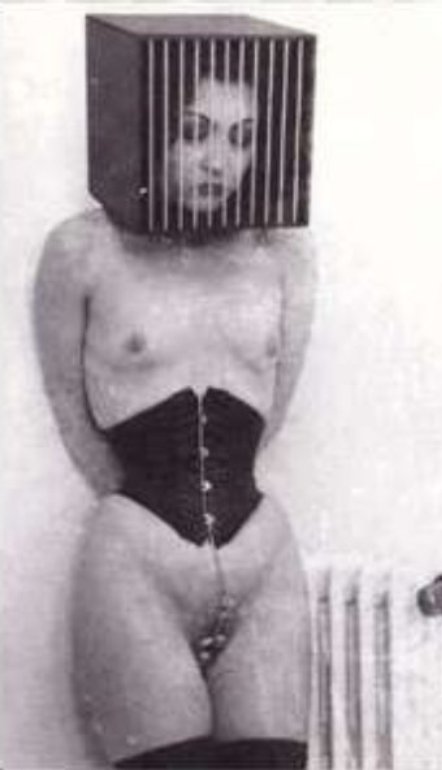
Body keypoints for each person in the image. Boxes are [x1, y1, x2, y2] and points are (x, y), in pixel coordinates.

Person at [33, 53, 316, 770]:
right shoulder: (82, 251)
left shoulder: (285, 257)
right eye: (195, 131)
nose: (219, 160)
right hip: (137, 564)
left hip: (264, 558)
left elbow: (272, 408)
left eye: (242, 138)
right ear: (149, 128)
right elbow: (70, 407)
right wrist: (151, 528)